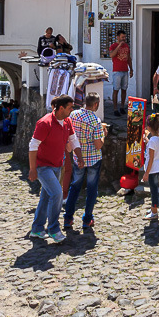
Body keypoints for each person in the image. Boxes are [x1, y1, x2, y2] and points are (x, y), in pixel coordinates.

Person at [28, 95, 84, 244]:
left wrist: (80, 157)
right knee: (58, 194)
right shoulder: (45, 123)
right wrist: (33, 169)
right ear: (61, 108)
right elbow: (33, 146)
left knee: (46, 197)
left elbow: (73, 140)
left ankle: (37, 229)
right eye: (70, 107)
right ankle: (53, 229)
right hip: (43, 167)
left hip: (57, 165)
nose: (72, 110)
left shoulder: (67, 121)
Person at [64, 94, 108, 231]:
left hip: (78, 157)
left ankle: (68, 218)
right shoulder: (95, 121)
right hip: (93, 159)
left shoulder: (74, 115)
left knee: (75, 186)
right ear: (95, 105)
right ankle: (87, 219)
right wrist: (104, 134)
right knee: (91, 189)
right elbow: (98, 145)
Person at [141, 113, 159, 222]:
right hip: (157, 166)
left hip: (153, 169)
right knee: (154, 189)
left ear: (149, 127)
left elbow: (150, 159)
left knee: (153, 190)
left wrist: (146, 173)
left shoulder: (153, 141)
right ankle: (153, 210)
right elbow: (153, 147)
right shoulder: (158, 138)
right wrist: (146, 140)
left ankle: (154, 212)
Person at [108, 30, 133, 116]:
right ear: (118, 37)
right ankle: (115, 108)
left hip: (125, 70)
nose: (124, 39)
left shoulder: (126, 46)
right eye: (122, 37)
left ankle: (122, 107)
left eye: (124, 37)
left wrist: (131, 69)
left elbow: (129, 58)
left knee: (124, 89)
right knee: (116, 89)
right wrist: (119, 46)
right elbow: (111, 55)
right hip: (117, 71)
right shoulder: (113, 46)